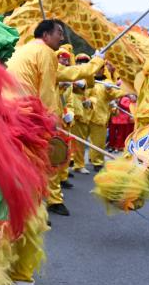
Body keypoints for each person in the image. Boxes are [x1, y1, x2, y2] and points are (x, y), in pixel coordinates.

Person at [6, 19, 103, 216]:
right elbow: (47, 92)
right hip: (26, 116)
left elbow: (68, 72)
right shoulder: (45, 52)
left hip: (11, 112)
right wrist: (51, 122)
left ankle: (28, 210)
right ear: (46, 35)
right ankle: (32, 214)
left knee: (23, 164)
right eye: (59, 32)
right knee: (39, 163)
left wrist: (96, 62)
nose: (61, 37)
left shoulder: (30, 50)